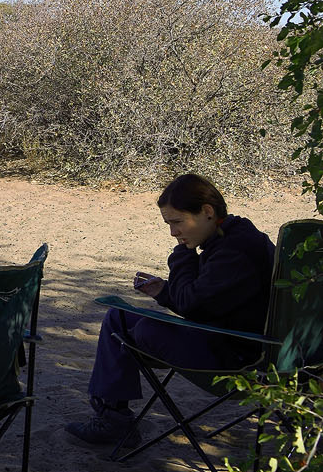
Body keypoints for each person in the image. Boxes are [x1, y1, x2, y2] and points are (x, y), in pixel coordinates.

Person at [65, 173, 275, 445]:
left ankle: (112, 420)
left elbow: (191, 304)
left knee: (147, 330)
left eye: (177, 222)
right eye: (169, 224)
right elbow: (202, 303)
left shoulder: (235, 249)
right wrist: (164, 292)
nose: (173, 232)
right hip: (220, 336)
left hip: (238, 359)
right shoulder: (229, 238)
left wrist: (183, 254)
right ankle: (112, 418)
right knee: (119, 316)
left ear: (207, 212)